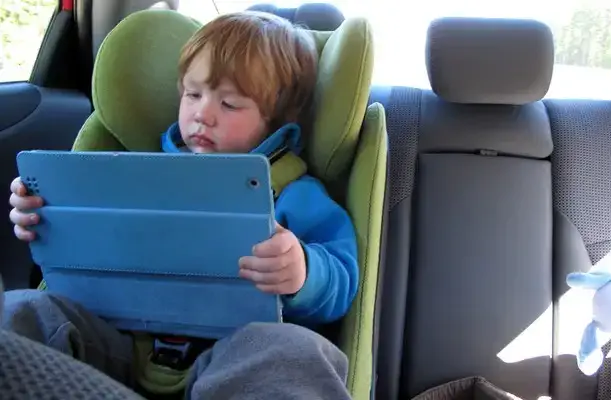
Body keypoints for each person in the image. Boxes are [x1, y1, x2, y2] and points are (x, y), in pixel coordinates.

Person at [4, 11, 359, 399]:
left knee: (295, 354)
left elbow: (342, 277)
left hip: (234, 357)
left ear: (275, 120)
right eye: (193, 94)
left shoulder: (294, 192)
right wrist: (45, 217)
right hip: (118, 348)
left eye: (229, 103)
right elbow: (83, 243)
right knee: (23, 311)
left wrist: (304, 271)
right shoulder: (131, 174)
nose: (202, 114)